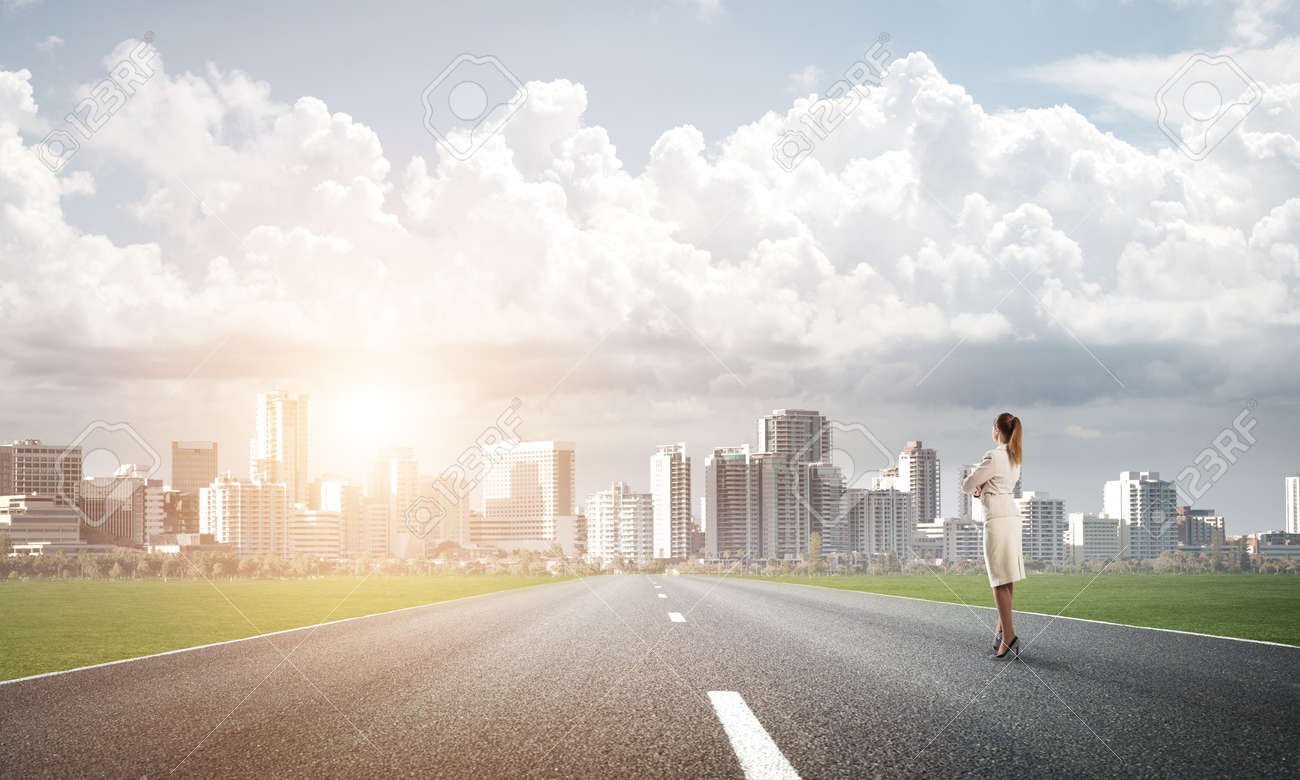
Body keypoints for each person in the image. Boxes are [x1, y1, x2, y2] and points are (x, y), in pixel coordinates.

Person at [962, 412, 1024, 658]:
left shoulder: (993, 456)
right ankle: (1001, 628)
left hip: (997, 519)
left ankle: (1009, 636)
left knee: (998, 580)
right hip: (1012, 517)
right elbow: (997, 484)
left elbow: (968, 484)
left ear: (996, 430)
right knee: (1007, 576)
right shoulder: (1015, 457)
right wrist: (983, 488)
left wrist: (977, 489)